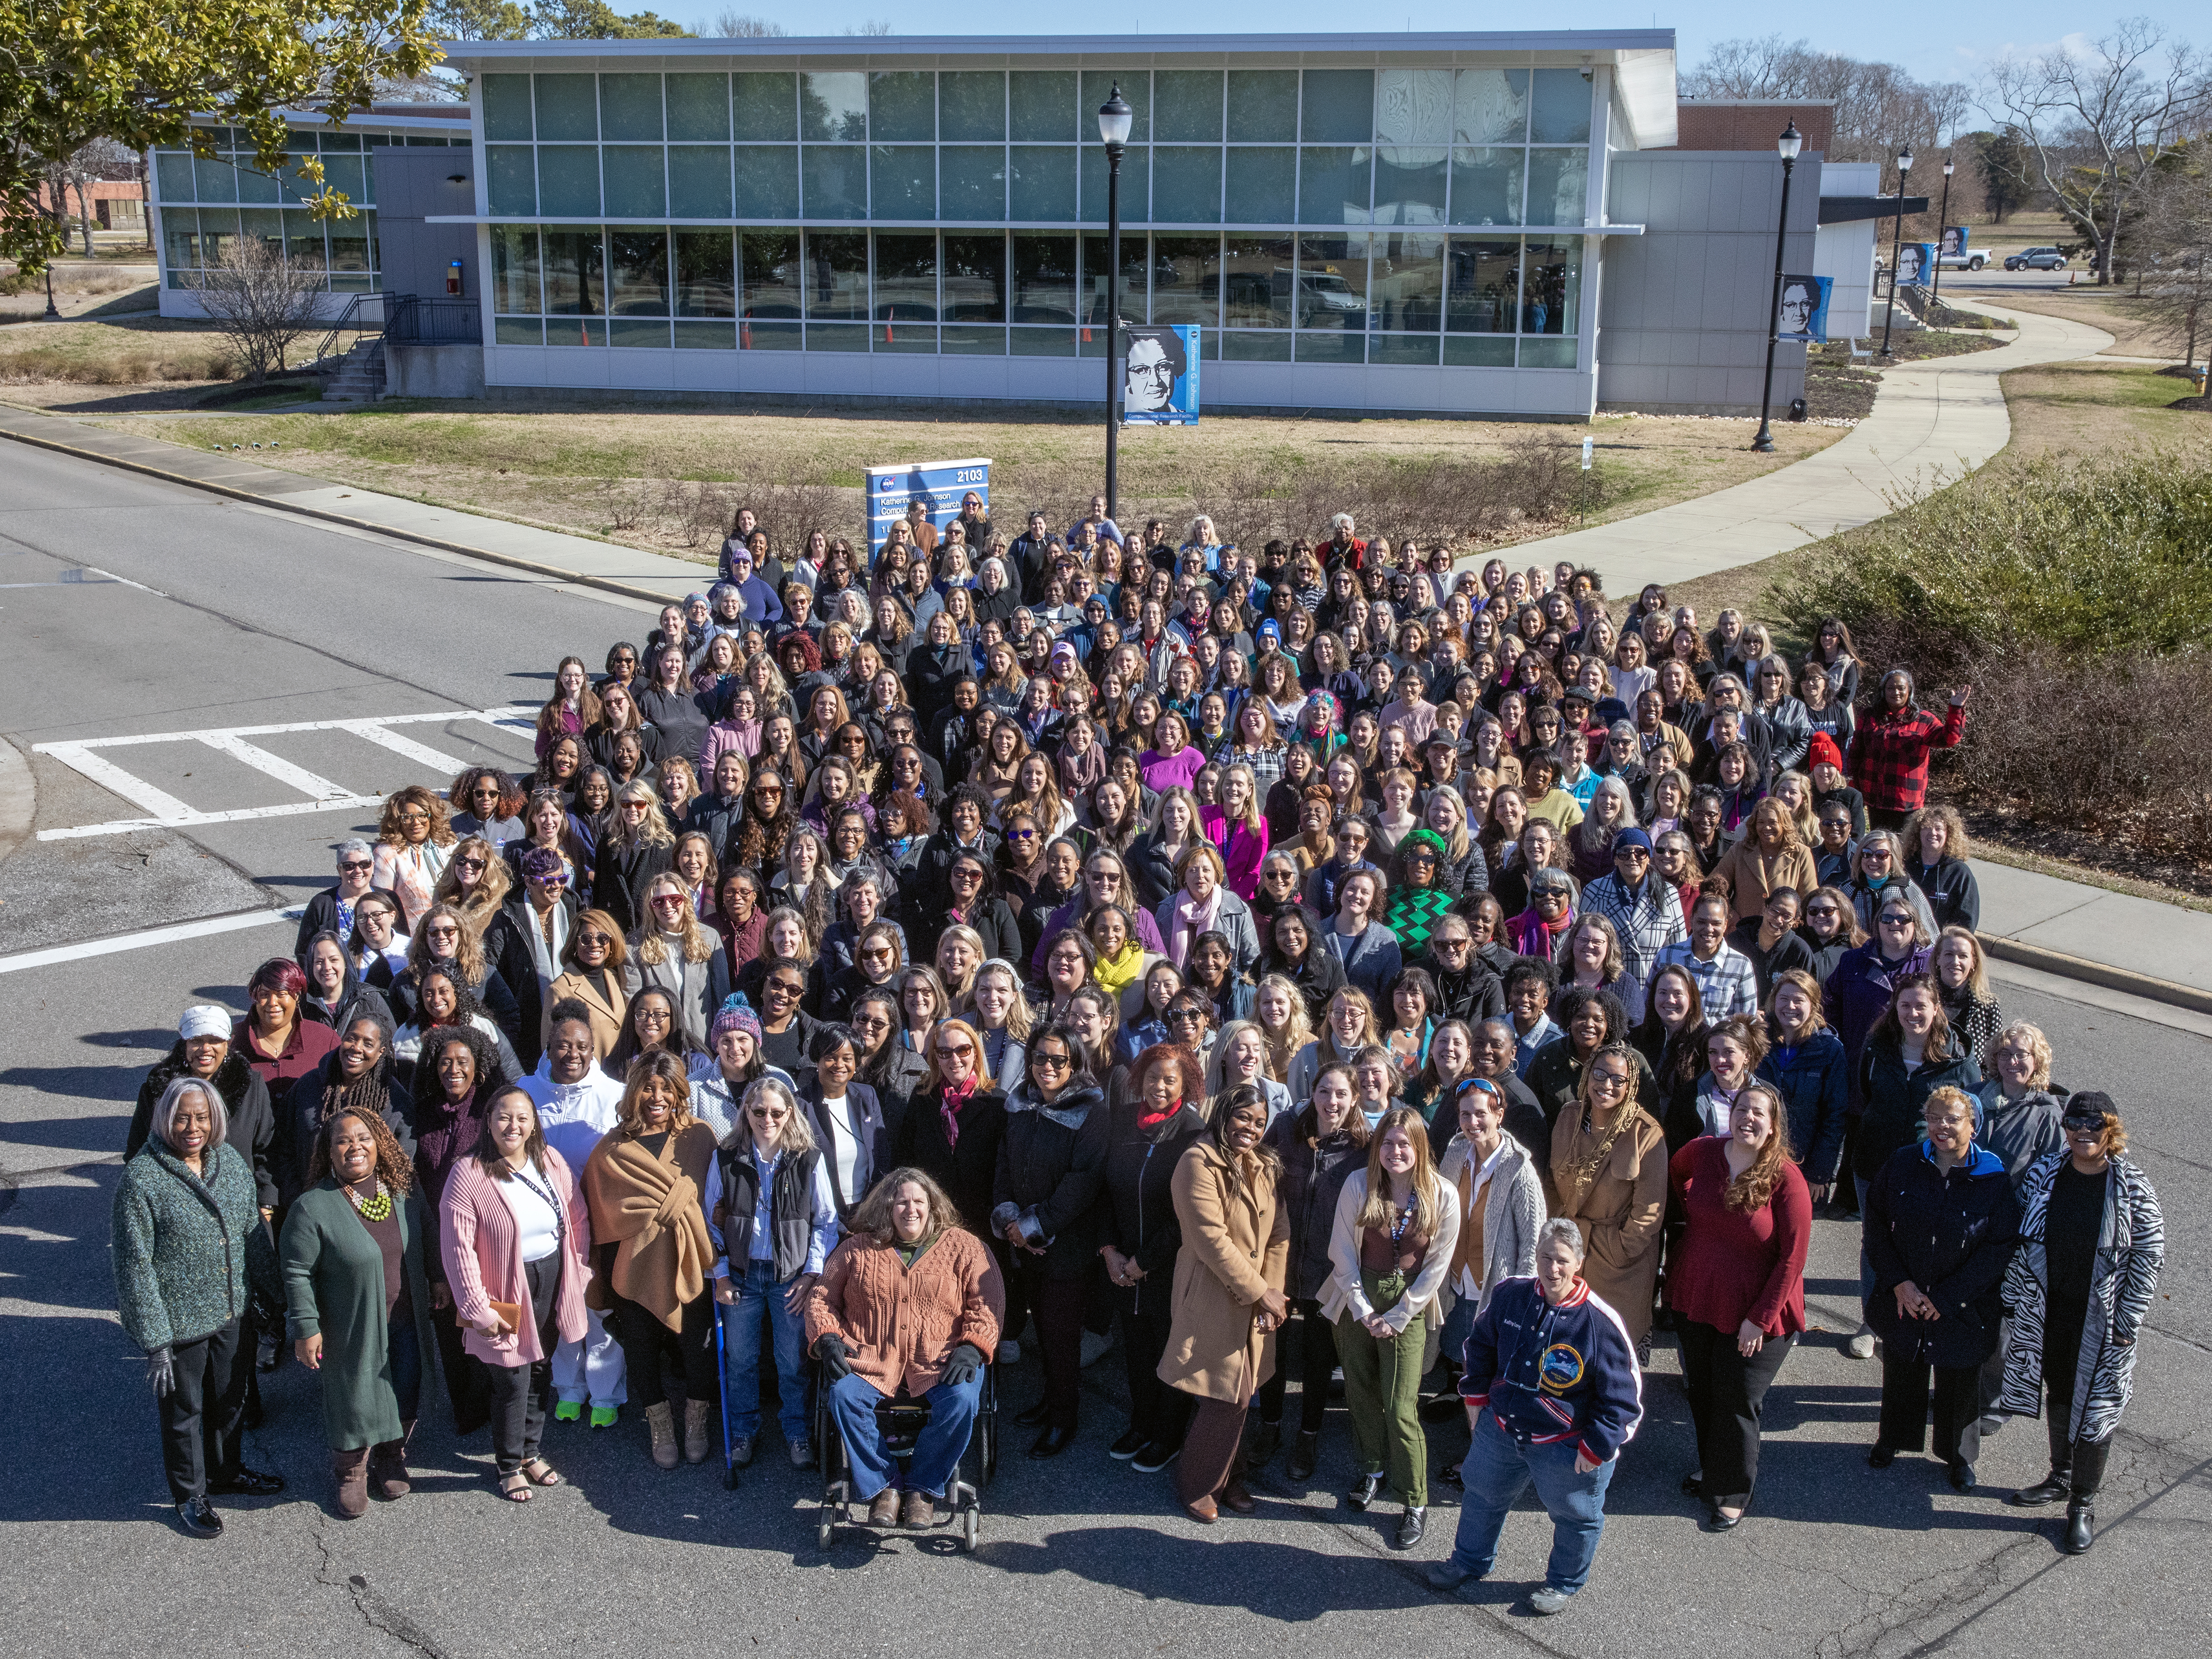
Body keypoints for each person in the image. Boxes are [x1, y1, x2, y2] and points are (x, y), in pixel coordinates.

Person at [1428, 1218, 1644, 1617]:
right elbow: (1480, 1345)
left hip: (1565, 1444)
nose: (1553, 1268)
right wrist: (1474, 1397)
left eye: (1563, 1259)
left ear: (1579, 1261)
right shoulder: (1510, 1294)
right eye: (1546, 1257)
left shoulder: (1600, 1322)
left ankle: (1564, 1582)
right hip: (1503, 1428)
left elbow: (1623, 1399)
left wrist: (1597, 1447)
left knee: (1576, 1516)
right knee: (1481, 1495)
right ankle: (1469, 1561)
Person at [112, 1077, 287, 1537]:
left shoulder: (229, 1161)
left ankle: (226, 1473)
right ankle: (190, 1494)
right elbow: (135, 1267)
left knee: (231, 1398)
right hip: (180, 1321)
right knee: (184, 1412)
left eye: (203, 1116)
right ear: (165, 1118)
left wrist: (272, 1295)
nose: (193, 1126)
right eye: (183, 1117)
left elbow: (252, 1231)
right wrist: (155, 1341)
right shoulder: (141, 1179)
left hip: (233, 1309)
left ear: (216, 1120)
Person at [1998, 1093, 2165, 1554]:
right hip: (2049, 1310)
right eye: (2075, 1122)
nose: (2083, 1131)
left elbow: (2150, 1256)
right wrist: (2013, 1298)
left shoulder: (2131, 1185)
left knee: (2097, 1404)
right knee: (2062, 1390)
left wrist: (2128, 1319)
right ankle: (2062, 1475)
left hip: (2105, 1319)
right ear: (2065, 1126)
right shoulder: (2046, 1172)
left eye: (2094, 1123)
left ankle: (2082, 1504)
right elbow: (2021, 1238)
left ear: (2110, 1128)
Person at [805, 1168, 1005, 1531]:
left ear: (932, 1206)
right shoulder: (855, 1248)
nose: (910, 1209)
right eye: (901, 1201)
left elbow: (988, 1301)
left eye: (918, 1201)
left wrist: (974, 1345)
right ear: (887, 1206)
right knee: (843, 1397)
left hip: (941, 1360)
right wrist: (827, 1336)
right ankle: (885, 1486)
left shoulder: (964, 1246)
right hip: (871, 1358)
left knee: (962, 1400)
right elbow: (822, 1299)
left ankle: (923, 1489)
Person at [1668, 1083, 1812, 1529]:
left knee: (1737, 1396)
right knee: (1704, 1389)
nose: (1748, 1118)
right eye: (1742, 1109)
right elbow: (1676, 1176)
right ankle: (1713, 1467)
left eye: (1759, 1114)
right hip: (1698, 1294)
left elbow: (1794, 1256)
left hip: (1758, 1308)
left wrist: (1759, 1318)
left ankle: (1733, 1490)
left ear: (1772, 1127)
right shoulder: (1704, 1151)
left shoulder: (1787, 1178)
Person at [440, 1084, 593, 1502]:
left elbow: (576, 1217)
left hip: (552, 1275)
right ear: (488, 1122)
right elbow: (457, 1247)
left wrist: (577, 1273)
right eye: (504, 1116)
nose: (514, 1125)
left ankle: (531, 1451)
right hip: (504, 1288)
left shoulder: (548, 1160)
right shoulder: (468, 1173)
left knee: (542, 1366)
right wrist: (477, 1306)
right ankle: (508, 1464)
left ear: (533, 1124)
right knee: (512, 1376)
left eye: (523, 1117)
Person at [282, 1106, 436, 1516]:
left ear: (380, 1143)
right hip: (350, 1324)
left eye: (364, 1138)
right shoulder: (313, 1207)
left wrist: (438, 1279)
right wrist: (305, 1327)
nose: (355, 1147)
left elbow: (427, 1233)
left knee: (405, 1385)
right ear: (329, 1152)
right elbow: (297, 1272)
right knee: (354, 1394)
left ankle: (391, 1454)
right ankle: (351, 1469)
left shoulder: (402, 1189)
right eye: (343, 1141)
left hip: (405, 1316)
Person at [1865, 1086, 2019, 1491]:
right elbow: (1877, 1224)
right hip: (1906, 1296)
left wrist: (1949, 1298)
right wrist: (1899, 1282)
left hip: (1962, 1306)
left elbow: (1998, 1248)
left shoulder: (1993, 1177)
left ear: (1973, 1124)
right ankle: (1893, 1438)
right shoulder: (1903, 1162)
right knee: (1901, 1368)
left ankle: (1960, 1457)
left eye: (1952, 1118)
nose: (1942, 1126)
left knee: (1959, 1381)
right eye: (1934, 1117)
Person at [1325, 1105, 1462, 1548]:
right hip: (1357, 1298)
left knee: (1401, 1405)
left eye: (1405, 1143)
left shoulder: (1442, 1194)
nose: (1395, 1151)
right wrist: (1364, 1310)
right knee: (1360, 1391)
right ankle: (1373, 1468)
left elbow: (1437, 1267)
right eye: (1387, 1142)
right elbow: (1342, 1253)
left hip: (1410, 1304)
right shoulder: (1358, 1184)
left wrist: (1400, 1315)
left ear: (1421, 1147)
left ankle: (1415, 1499)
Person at [582, 1051, 720, 1472]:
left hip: (690, 1261)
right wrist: (602, 1278)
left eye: (667, 1088)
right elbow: (601, 1216)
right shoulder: (612, 1148)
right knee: (639, 1347)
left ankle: (696, 1420)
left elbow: (715, 1199)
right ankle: (659, 1422)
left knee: (698, 1347)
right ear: (634, 1090)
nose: (657, 1096)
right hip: (632, 1264)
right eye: (648, 1086)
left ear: (681, 1092)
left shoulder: (700, 1136)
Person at [1159, 1086, 1290, 1523]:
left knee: (1244, 1390)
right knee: (1224, 1397)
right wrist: (1260, 1292)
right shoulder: (1197, 1162)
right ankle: (1197, 1484)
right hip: (1213, 1295)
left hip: (1255, 1299)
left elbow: (1279, 1235)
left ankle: (1229, 1473)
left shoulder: (1264, 1165)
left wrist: (1271, 1293)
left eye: (1258, 1121)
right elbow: (1210, 1240)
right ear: (1223, 1115)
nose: (1250, 1128)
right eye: (1242, 1118)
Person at [705, 1076, 842, 1471]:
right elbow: (708, 1220)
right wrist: (722, 1275)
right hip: (742, 1276)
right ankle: (744, 1430)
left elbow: (826, 1221)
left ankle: (797, 1431)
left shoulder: (807, 1158)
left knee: (791, 1361)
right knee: (741, 1360)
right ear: (746, 1111)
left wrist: (812, 1273)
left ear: (789, 1114)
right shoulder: (726, 1157)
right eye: (759, 1110)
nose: (768, 1118)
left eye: (777, 1112)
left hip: (789, 1277)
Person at [990, 1024, 1108, 1459]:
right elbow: (1003, 1163)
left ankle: (1064, 1418)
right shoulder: (1020, 1103)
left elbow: (1082, 1182)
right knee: (1041, 1328)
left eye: (1058, 1059)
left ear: (1074, 1063)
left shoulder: (1092, 1112)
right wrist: (1010, 1222)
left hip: (1066, 1247)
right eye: (1040, 1057)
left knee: (1061, 1337)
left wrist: (1035, 1226)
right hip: (1024, 1243)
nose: (1047, 1067)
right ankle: (1050, 1400)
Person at [1101, 1042, 1212, 1471]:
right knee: (1137, 1351)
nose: (1159, 1086)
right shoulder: (1123, 1121)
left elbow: (1189, 1214)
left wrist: (1142, 1262)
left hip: (1167, 1266)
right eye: (1152, 1076)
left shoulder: (1192, 1131)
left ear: (1186, 1083)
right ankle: (1141, 1421)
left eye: (1170, 1079)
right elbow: (1105, 1188)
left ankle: (1167, 1434)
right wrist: (1110, 1250)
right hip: (1122, 1262)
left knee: (1171, 1353)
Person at [518, 1002, 629, 1427]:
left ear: (593, 1048)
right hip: (541, 1223)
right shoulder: (526, 1089)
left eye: (582, 1045)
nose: (573, 1053)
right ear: (549, 1045)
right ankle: (568, 1387)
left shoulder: (613, 1095)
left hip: (597, 1220)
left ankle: (605, 1390)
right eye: (563, 1045)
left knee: (597, 1306)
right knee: (556, 1305)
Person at [1549, 1043, 1668, 1356]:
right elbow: (1551, 1184)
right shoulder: (1569, 1117)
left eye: (1618, 1079)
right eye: (1600, 1075)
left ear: (1631, 1086)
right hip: (1569, 1250)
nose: (1607, 1085)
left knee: (1611, 1351)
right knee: (1564, 1350)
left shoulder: (1645, 1132)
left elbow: (1650, 1212)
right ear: (1587, 1076)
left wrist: (1621, 1248)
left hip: (1619, 1262)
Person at [1849, 671, 1968, 831]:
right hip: (1875, 797)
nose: (1896, 692)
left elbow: (1950, 738)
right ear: (1883, 691)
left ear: (1909, 691)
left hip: (1907, 802)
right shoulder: (1869, 716)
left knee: (1905, 849)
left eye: (1901, 688)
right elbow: (1856, 754)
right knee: (1881, 847)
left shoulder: (1924, 720)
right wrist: (1854, 787)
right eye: (1890, 688)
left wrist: (1956, 708)